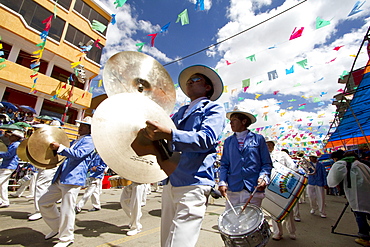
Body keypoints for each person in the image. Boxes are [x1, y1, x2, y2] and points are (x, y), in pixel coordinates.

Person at [142, 65, 226, 247]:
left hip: (194, 181)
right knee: (166, 241)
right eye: (189, 80)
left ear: (207, 88)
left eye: (196, 80)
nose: (190, 82)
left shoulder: (214, 108)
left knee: (179, 243)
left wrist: (170, 134)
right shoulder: (179, 112)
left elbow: (207, 139)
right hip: (170, 180)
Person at [39, 116, 95, 247]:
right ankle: (57, 227)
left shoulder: (90, 141)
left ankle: (66, 238)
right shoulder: (77, 140)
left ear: (90, 129)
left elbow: (78, 154)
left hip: (73, 178)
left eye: (83, 126)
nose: (80, 127)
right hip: (62, 177)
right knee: (44, 202)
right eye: (80, 125)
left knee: (67, 209)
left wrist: (60, 147)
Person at [218, 107, 272, 209]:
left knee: (250, 222)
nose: (231, 123)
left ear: (244, 121)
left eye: (234, 120)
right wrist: (222, 182)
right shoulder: (228, 141)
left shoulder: (258, 139)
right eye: (230, 121)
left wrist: (263, 178)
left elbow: (266, 163)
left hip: (253, 189)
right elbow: (224, 164)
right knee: (232, 221)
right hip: (233, 188)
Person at [328, 151, 370, 247]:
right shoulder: (361, 164)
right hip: (366, 191)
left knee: (359, 213)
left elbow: (332, 181)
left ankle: (364, 237)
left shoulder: (341, 164)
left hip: (356, 193)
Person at [28, 121, 61, 221]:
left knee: (41, 186)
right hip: (44, 165)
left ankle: (40, 211)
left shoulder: (52, 139)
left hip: (49, 165)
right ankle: (44, 209)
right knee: (42, 186)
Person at [265, 138, 298, 240]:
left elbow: (292, 166)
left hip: (283, 184)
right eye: (266, 144)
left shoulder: (282, 154)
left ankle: (291, 231)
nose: (268, 146)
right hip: (270, 186)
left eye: (270, 144)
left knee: (288, 210)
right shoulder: (262, 156)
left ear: (273, 145)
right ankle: (278, 232)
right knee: (274, 209)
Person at [0, 130, 24, 208]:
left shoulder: (16, 145)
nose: (10, 137)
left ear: (16, 137)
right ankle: (4, 201)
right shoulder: (14, 144)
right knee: (3, 185)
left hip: (8, 166)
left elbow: (8, 155)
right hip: (7, 166)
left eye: (12, 136)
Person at [307, 152, 328, 218]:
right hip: (311, 182)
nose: (311, 158)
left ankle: (322, 212)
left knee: (321, 198)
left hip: (319, 182)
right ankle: (313, 207)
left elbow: (324, 174)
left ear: (315, 158)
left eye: (312, 157)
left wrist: (325, 183)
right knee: (311, 197)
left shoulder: (321, 165)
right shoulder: (308, 164)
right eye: (310, 157)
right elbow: (305, 171)